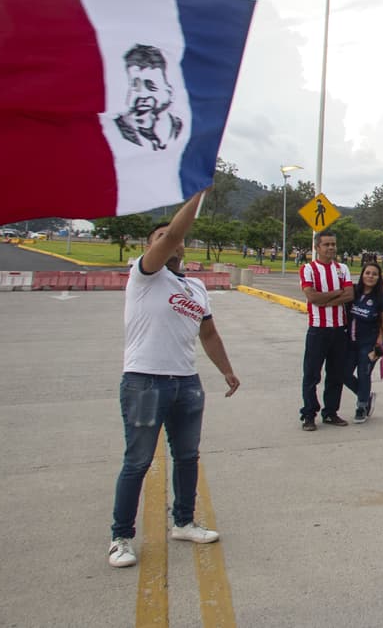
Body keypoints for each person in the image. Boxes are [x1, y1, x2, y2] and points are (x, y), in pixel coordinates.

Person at [108, 190, 240, 569]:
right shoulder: (144, 275)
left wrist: (226, 370)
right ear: (151, 246)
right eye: (162, 237)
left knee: (186, 456)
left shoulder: (195, 287)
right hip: (145, 381)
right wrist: (198, 193)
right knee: (138, 461)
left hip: (186, 382)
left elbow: (208, 334)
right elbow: (171, 236)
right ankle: (120, 537)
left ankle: (183, 522)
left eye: (174, 237)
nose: (171, 241)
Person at [298, 232, 354, 431]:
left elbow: (349, 295)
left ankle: (330, 412)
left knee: (335, 374)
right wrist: (337, 293)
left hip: (339, 330)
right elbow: (312, 297)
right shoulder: (308, 269)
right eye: (326, 244)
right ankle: (308, 414)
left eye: (333, 244)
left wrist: (326, 299)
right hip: (318, 330)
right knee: (311, 374)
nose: (331, 248)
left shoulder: (342, 269)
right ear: (317, 247)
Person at [346, 262, 383, 423]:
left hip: (370, 343)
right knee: (343, 373)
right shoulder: (353, 291)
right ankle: (366, 396)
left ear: (379, 278)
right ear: (362, 275)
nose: (370, 276)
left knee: (363, 373)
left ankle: (362, 407)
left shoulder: (382, 298)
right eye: (367, 273)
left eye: (374, 274)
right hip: (350, 341)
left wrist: (379, 342)